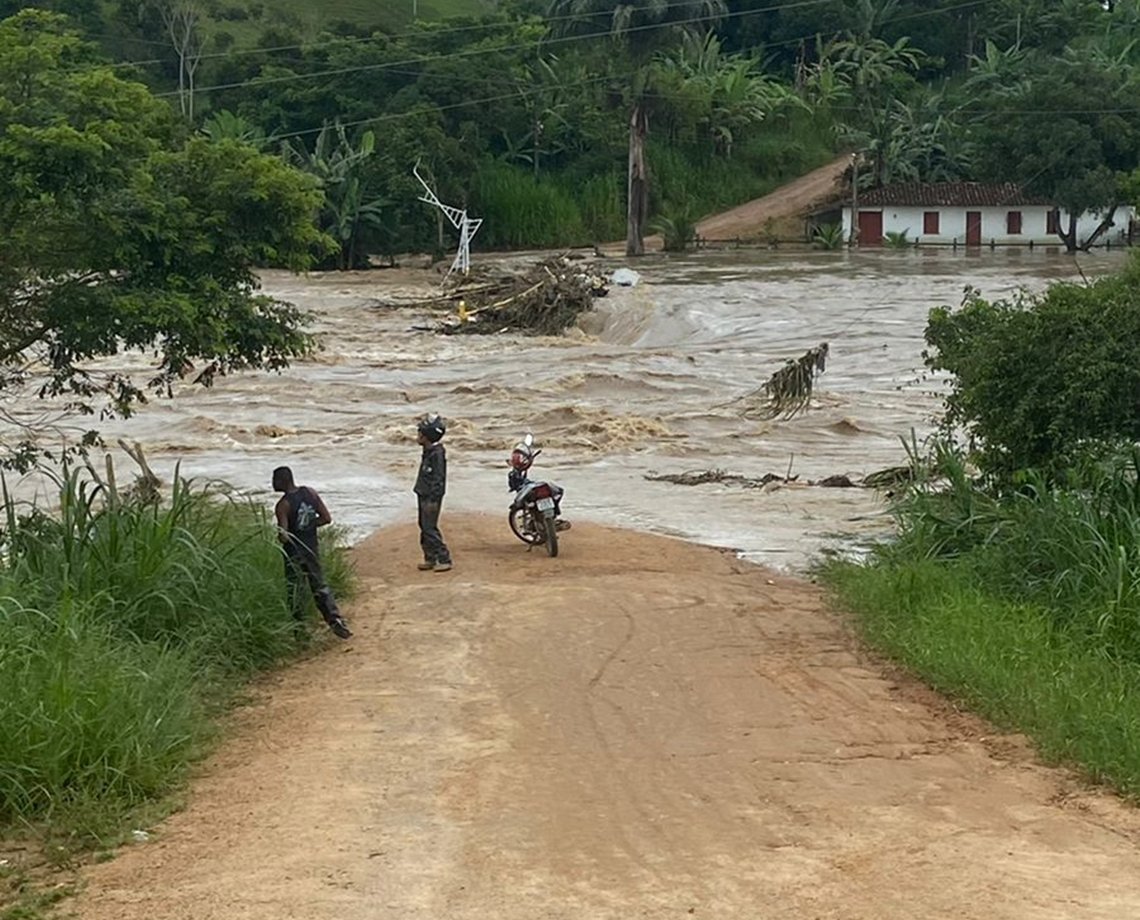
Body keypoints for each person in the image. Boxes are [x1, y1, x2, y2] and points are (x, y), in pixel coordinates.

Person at [272, 466, 352, 639]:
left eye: (274, 480)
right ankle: (335, 620)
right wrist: (308, 525)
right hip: (311, 548)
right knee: (319, 585)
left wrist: (282, 533)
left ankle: (300, 631)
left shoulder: (283, 505)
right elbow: (326, 519)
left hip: (293, 553)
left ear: (281, 481)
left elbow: (284, 536)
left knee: (296, 591)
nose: (272, 484)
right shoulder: (310, 493)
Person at [414, 414, 452, 572]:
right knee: (423, 526)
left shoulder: (437, 454)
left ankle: (444, 558)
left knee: (430, 528)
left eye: (420, 434)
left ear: (428, 436)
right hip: (423, 492)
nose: (418, 436)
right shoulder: (429, 451)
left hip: (431, 496)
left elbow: (439, 478)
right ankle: (429, 557)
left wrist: (434, 499)